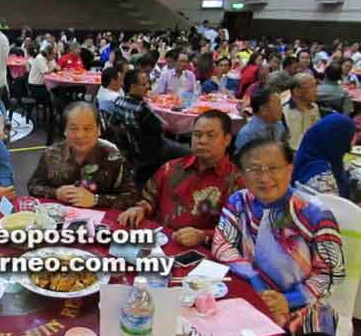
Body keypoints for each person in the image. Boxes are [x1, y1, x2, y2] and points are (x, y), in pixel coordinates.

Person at [212, 138, 343, 336]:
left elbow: (332, 272)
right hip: (249, 300)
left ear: (289, 168)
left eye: (273, 168)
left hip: (305, 309)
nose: (264, 177)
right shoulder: (239, 201)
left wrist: (289, 299)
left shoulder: (313, 213)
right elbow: (221, 244)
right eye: (254, 169)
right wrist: (256, 281)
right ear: (242, 173)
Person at [118, 110, 243, 247]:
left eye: (211, 135)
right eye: (197, 135)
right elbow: (149, 198)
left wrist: (203, 236)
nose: (202, 141)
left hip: (201, 252)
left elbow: (236, 232)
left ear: (227, 139)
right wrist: (140, 209)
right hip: (158, 241)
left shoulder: (236, 182)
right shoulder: (171, 167)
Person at [28, 101, 138, 209]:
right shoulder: (51, 154)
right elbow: (33, 186)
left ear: (99, 130)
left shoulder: (113, 156)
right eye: (73, 128)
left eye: (88, 129)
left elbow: (132, 197)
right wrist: (56, 192)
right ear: (65, 131)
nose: (80, 135)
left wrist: (96, 200)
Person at [107, 68, 188, 186]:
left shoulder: (118, 102)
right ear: (133, 86)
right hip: (152, 150)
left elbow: (112, 124)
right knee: (189, 152)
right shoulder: (141, 109)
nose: (148, 87)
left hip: (131, 148)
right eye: (144, 84)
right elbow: (164, 127)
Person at [292, 113, 355, 198]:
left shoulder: (308, 155)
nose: (349, 147)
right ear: (338, 141)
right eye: (347, 140)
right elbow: (335, 209)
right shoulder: (323, 179)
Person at [234, 86, 288, 153]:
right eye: (278, 105)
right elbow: (242, 161)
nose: (281, 108)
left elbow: (284, 149)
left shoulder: (279, 125)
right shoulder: (248, 134)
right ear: (263, 110)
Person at [283, 73, 321, 151]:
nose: (316, 90)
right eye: (312, 87)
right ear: (297, 91)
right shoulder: (283, 110)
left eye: (316, 85)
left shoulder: (314, 107)